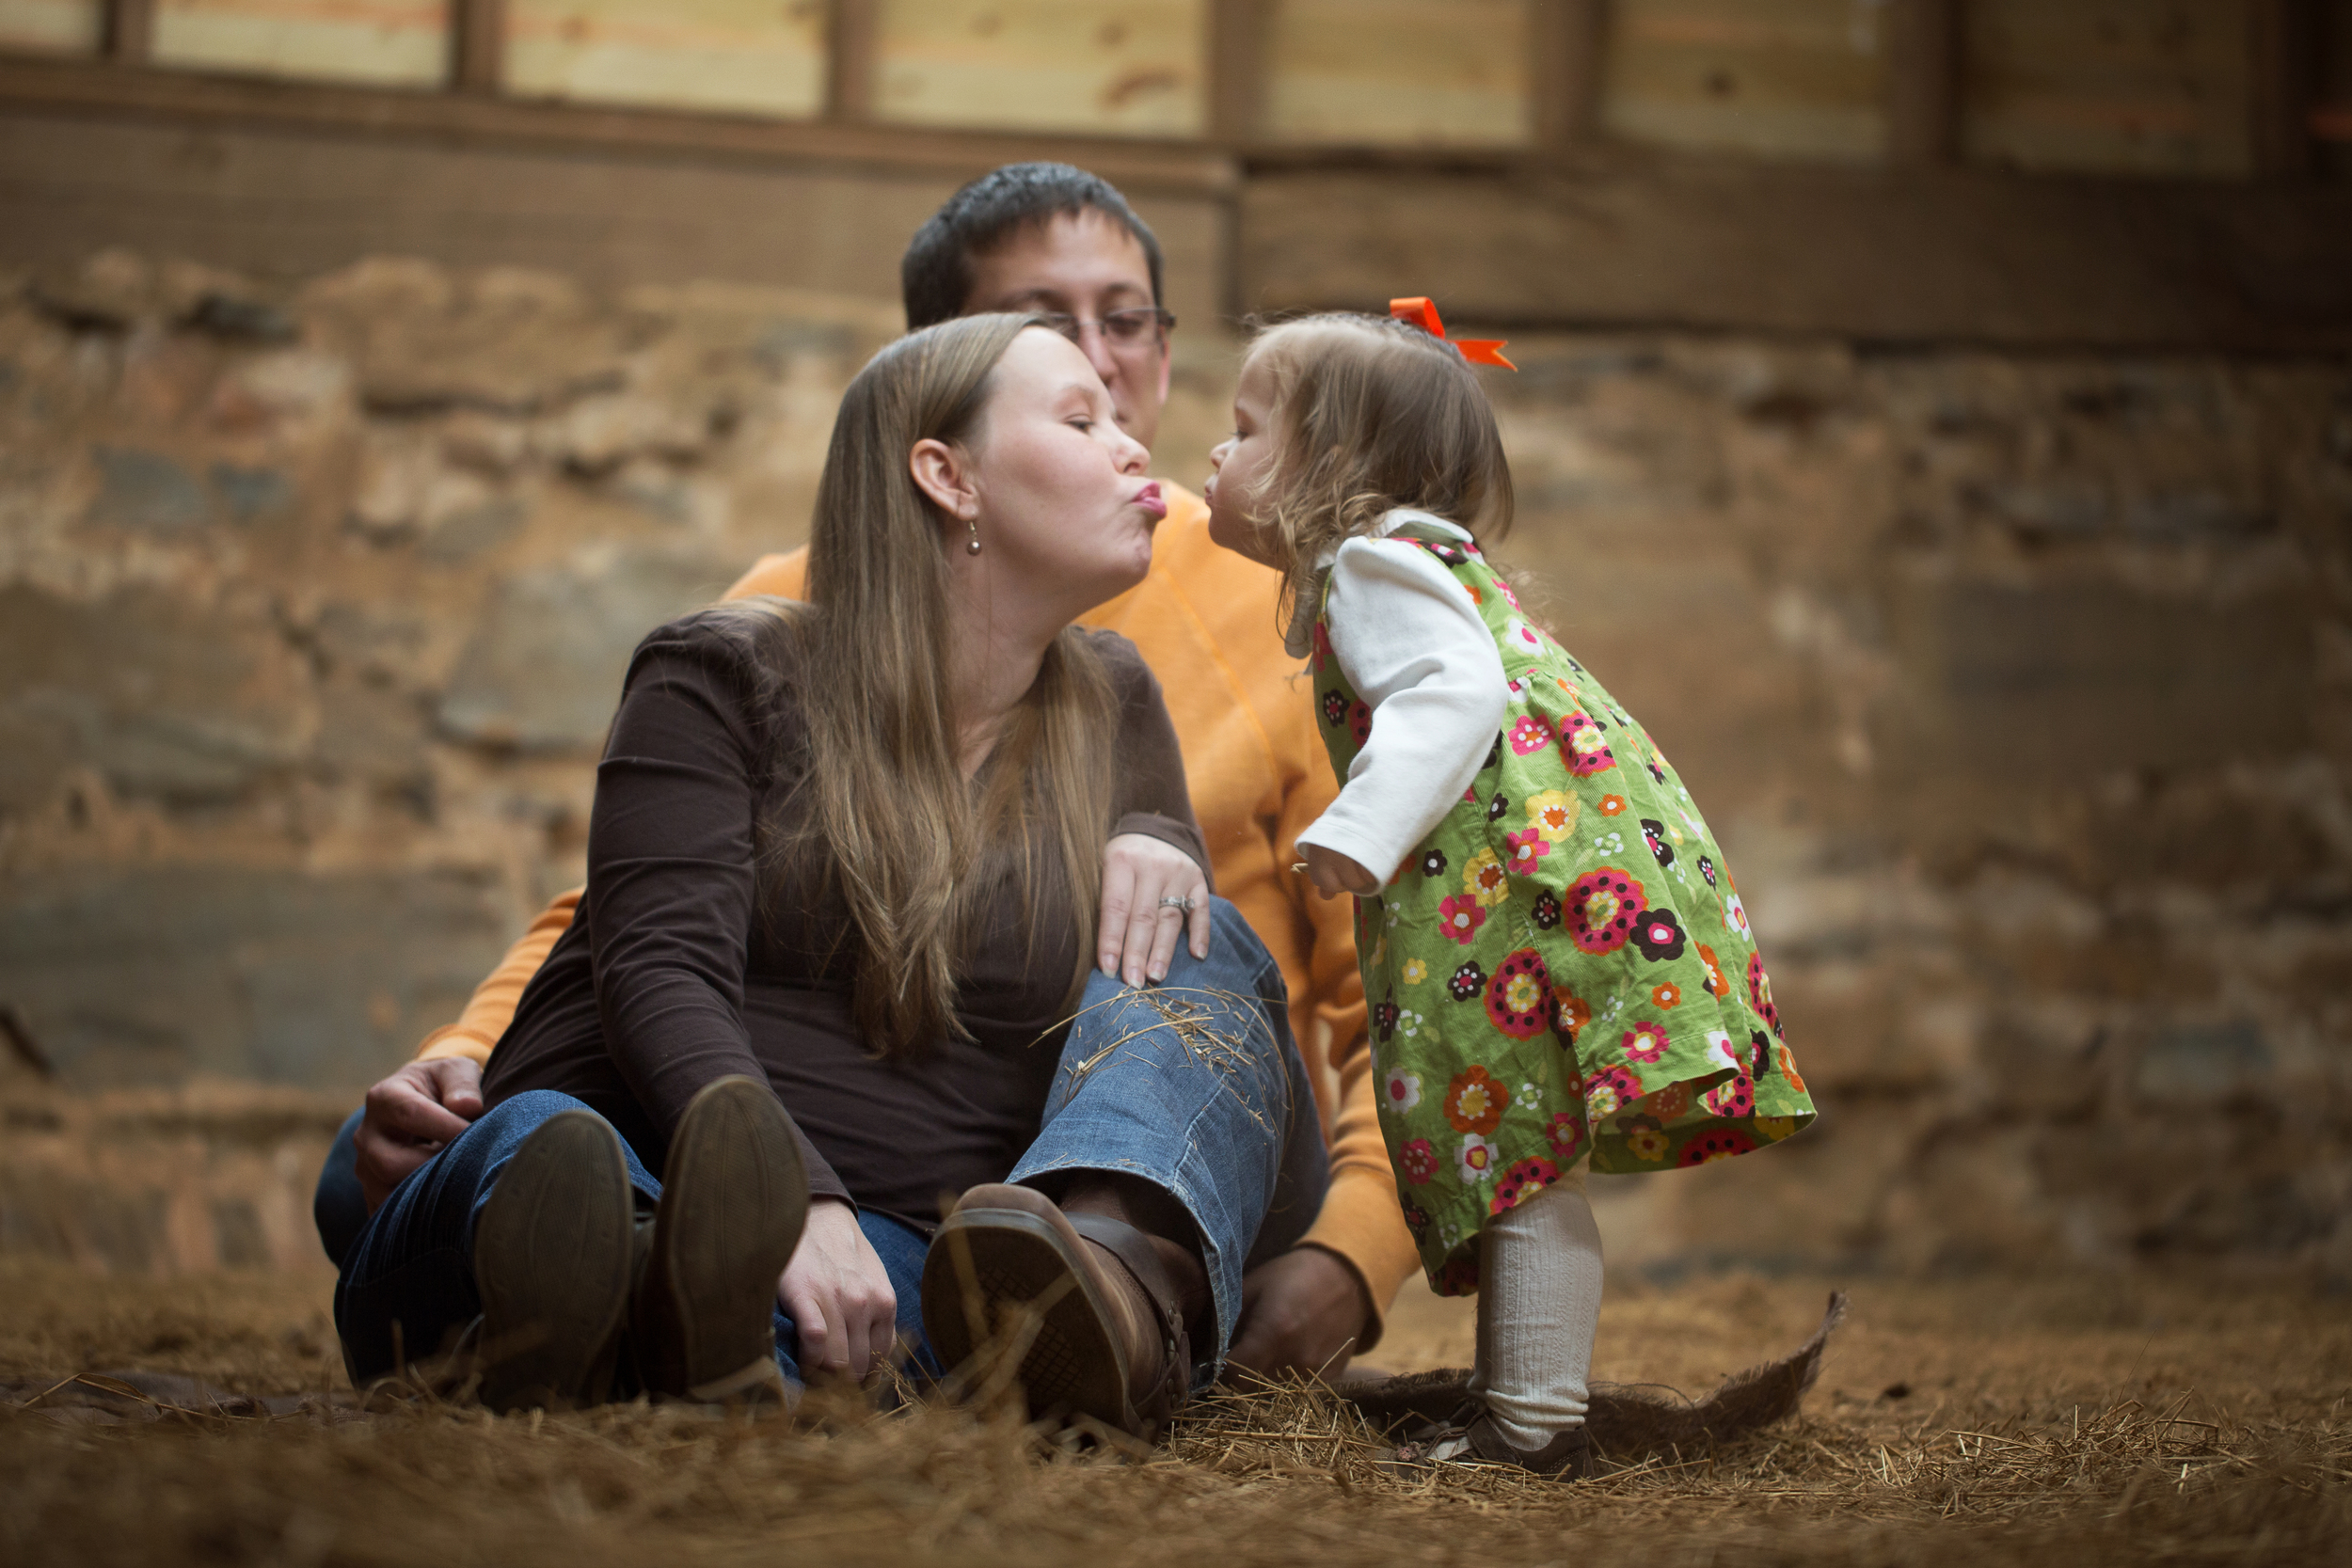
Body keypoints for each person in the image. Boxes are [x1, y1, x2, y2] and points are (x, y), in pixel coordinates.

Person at [318, 164, 1412, 1384]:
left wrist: (1352, 1250)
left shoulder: (1228, 640)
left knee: (1195, 946)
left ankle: (1089, 1274)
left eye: (1127, 322)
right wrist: (468, 1052)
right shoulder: (749, 643)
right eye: (1055, 352)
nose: (1113, 388)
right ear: (942, 444)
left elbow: (1394, 972)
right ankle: (627, 1280)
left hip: (1022, 1182)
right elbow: (637, 918)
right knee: (529, 1143)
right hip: (717, 1126)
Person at [1200, 305, 1818, 1475]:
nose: (1216, 453)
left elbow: (1452, 693)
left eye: (1245, 428)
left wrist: (1361, 829)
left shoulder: (1371, 563)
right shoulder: (1423, 557)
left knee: (1515, 1148)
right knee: (1525, 1152)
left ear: (1332, 463)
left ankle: (1530, 1427)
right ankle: (1523, 1410)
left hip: (1505, 899)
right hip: (1549, 879)